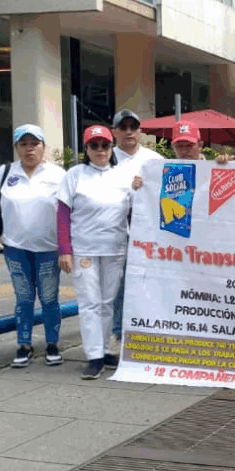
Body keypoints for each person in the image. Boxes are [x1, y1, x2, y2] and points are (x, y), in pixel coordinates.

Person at [0, 124, 67, 368]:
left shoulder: (58, 174)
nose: (29, 149)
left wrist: (69, 246)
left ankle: (52, 344)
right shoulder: (6, 172)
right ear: (16, 147)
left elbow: (72, 209)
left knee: (49, 298)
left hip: (49, 249)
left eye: (34, 144)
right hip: (15, 248)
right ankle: (24, 345)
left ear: (43, 147)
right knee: (24, 298)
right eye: (23, 144)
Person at [58, 125, 142, 380]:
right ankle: (93, 356)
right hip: (85, 250)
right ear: (86, 149)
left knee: (107, 302)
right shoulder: (74, 175)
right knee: (89, 303)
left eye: (105, 145)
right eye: (94, 146)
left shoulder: (124, 175)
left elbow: (136, 210)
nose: (100, 150)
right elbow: (62, 214)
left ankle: (104, 350)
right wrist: (64, 250)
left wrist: (141, 187)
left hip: (115, 249)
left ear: (111, 147)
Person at [109, 109, 163, 348]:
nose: (129, 132)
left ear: (140, 131)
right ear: (114, 132)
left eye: (133, 127)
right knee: (118, 285)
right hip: (115, 232)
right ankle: (118, 332)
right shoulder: (105, 157)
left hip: (149, 232)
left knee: (150, 281)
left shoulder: (154, 159)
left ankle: (150, 328)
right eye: (123, 127)